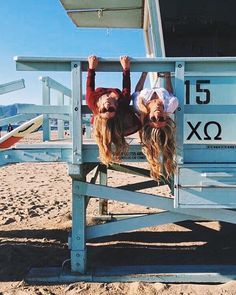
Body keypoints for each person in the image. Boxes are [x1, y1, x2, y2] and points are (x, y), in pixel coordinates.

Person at [86, 55, 140, 165]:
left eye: (104, 110)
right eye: (110, 109)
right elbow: (126, 86)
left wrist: (91, 68)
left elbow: (89, 84)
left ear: (98, 111)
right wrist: (125, 68)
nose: (107, 106)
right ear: (116, 109)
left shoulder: (92, 102)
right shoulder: (122, 101)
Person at [132, 72, 179, 181]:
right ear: (166, 118)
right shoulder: (170, 105)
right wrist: (167, 76)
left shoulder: (140, 106)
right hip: (163, 73)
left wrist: (144, 74)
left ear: (148, 118)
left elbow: (136, 92)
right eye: (161, 119)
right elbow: (170, 92)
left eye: (154, 119)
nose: (158, 115)